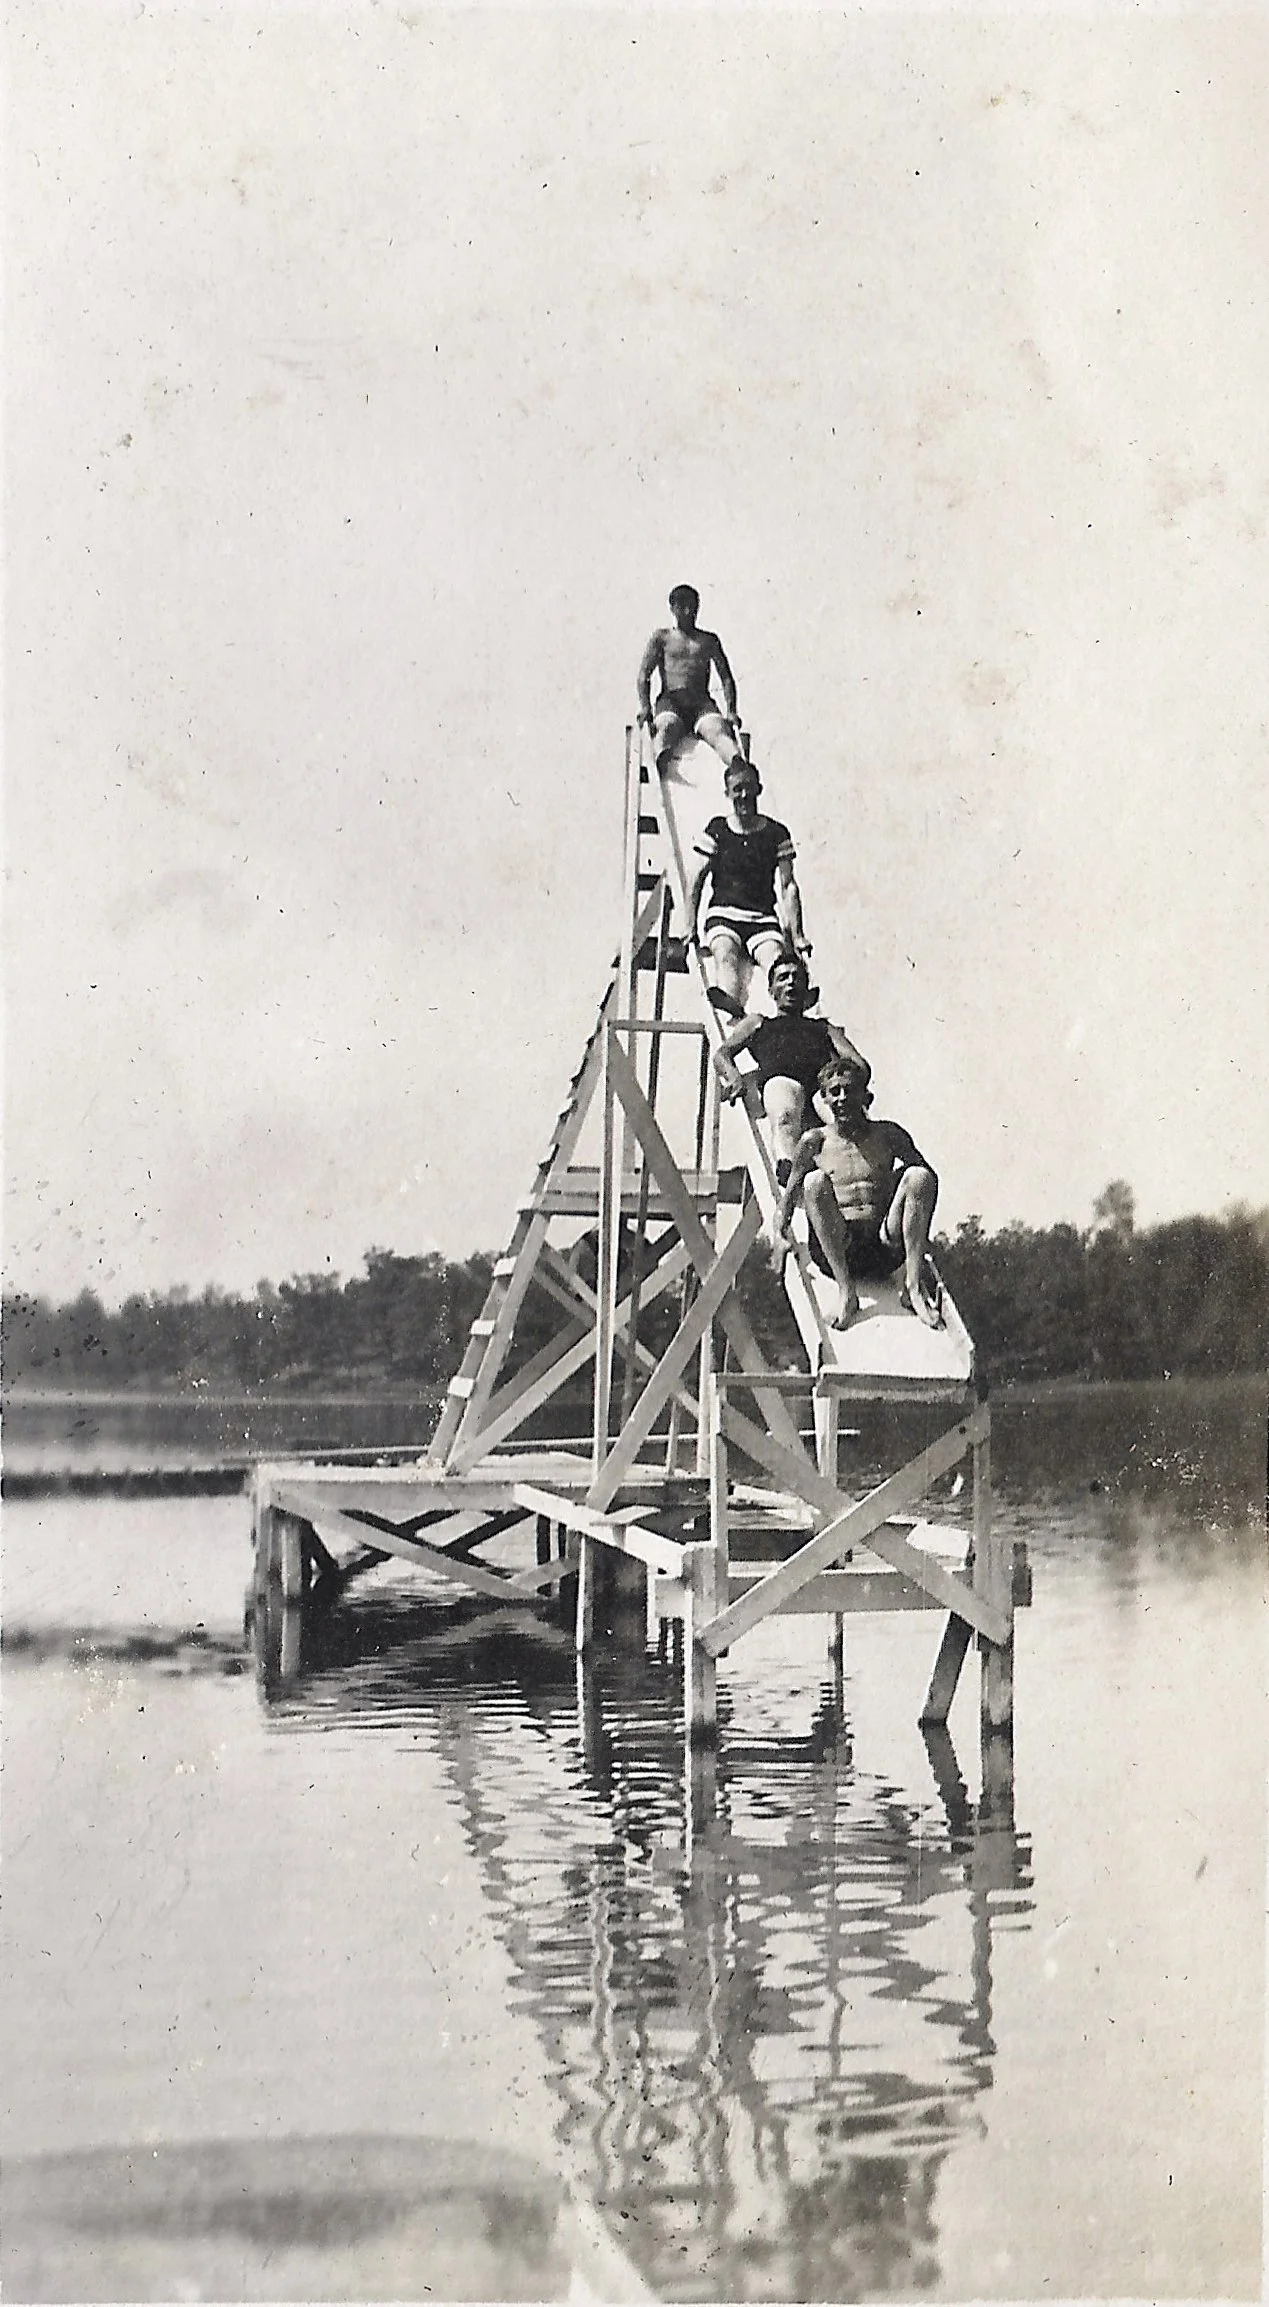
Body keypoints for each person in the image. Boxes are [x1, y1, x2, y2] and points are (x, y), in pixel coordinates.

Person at [769, 1050, 944, 1330]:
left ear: (865, 1096)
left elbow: (928, 1186)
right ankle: (846, 1293)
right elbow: (788, 1201)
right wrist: (779, 1238)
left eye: (849, 1091)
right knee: (814, 1182)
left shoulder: (888, 1134)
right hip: (840, 1248)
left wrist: (920, 1240)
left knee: (919, 1176)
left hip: (885, 1247)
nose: (841, 1099)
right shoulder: (814, 1141)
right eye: (834, 1092)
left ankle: (912, 1288)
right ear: (824, 1098)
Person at [713, 952, 869, 1177]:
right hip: (783, 1083)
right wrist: (734, 1076)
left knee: (844, 1118)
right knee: (784, 1109)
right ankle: (787, 1167)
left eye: (797, 978)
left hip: (820, 1090)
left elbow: (859, 1064)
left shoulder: (823, 1028)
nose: (791, 983)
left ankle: (859, 1170)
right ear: (771, 990)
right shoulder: (758, 1022)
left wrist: (854, 1085)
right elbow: (722, 1054)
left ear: (806, 989)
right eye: (783, 978)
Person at [687, 759, 810, 1015]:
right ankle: (732, 1006)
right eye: (737, 789)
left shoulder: (776, 833)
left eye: (749, 788)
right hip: (724, 916)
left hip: (762, 918)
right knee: (725, 954)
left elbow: (788, 886)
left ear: (759, 789)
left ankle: (790, 1012)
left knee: (777, 960)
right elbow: (696, 878)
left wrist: (797, 934)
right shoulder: (719, 829)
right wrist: (690, 926)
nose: (744, 795)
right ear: (728, 793)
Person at [636, 585, 747, 777]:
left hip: (700, 702)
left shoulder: (708, 640)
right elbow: (644, 675)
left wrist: (731, 711)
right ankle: (655, 762)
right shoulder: (662, 638)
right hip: (671, 700)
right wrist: (645, 706)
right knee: (667, 726)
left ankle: (737, 765)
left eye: (693, 607)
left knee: (718, 730)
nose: (689, 612)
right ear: (673, 609)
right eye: (684, 607)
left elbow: (726, 678)